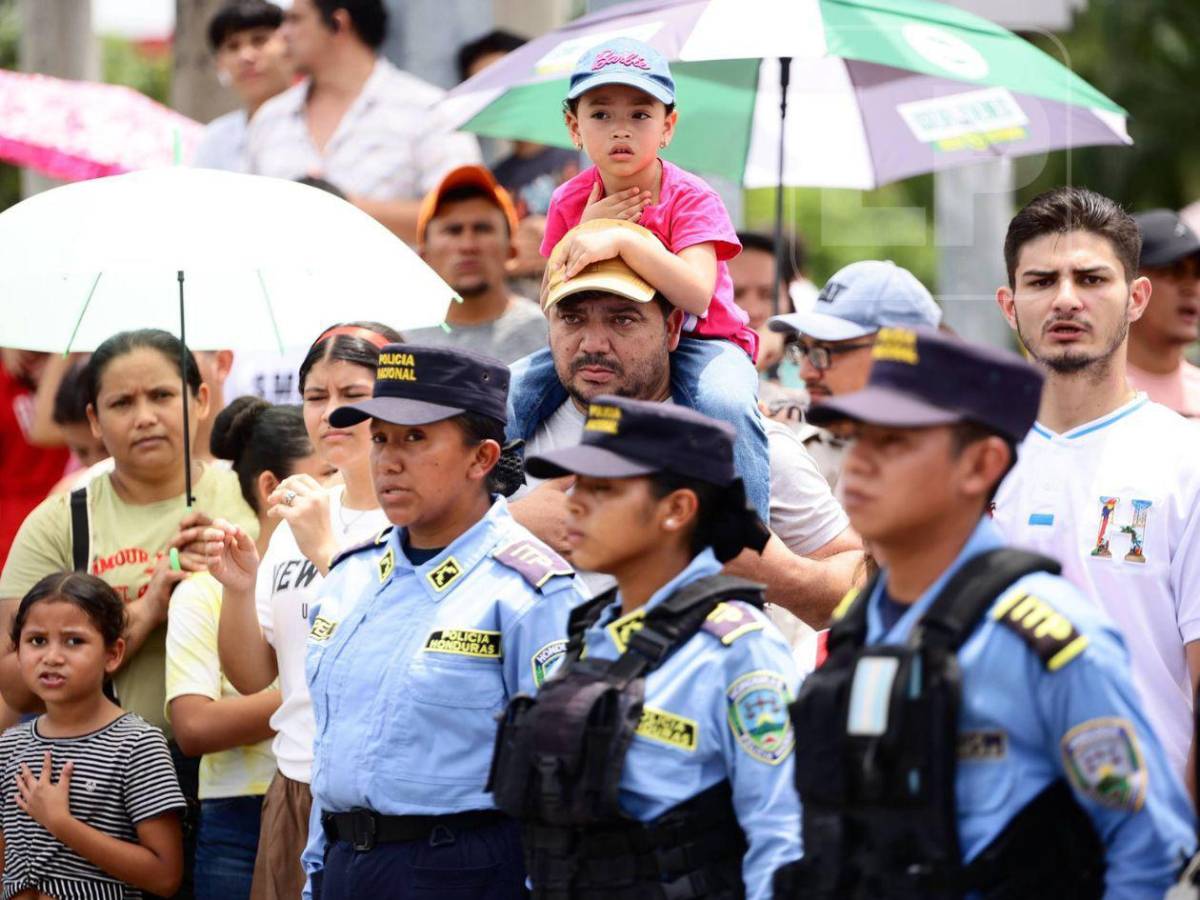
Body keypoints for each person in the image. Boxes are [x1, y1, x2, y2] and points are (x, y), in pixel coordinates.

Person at [775, 327, 1195, 899]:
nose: (860, 467)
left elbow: (1145, 849)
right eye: (855, 439)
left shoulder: (1048, 641)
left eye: (894, 443)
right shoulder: (864, 626)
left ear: (980, 466)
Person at [208, 343, 585, 898]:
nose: (388, 458)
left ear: (481, 458)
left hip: (463, 870)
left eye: (415, 438)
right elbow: (331, 748)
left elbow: (567, 784)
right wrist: (318, 872)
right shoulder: (351, 573)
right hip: (345, 867)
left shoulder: (530, 592)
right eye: (379, 437)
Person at [492, 396, 801, 900]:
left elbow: (782, 839)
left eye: (603, 489)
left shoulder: (738, 650)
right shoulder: (592, 629)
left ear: (677, 508)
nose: (574, 503)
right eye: (577, 485)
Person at [0, 329, 259, 898]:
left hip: (239, 787)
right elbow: (16, 686)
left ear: (200, 401)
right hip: (105, 786)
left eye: (162, 396)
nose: (144, 416)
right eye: (122, 402)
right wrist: (145, 610)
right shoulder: (58, 520)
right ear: (93, 421)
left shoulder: (251, 496)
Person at [508, 236, 861, 629]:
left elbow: (857, 583)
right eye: (572, 318)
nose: (593, 343)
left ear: (673, 326)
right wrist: (508, 527)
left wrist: (776, 574)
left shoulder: (744, 445)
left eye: (622, 319)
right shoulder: (500, 438)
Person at [992, 187, 1200, 782]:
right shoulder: (968, 464)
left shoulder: (1187, 463)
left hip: (1145, 839)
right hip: (993, 833)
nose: (1065, 300)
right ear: (1009, 305)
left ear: (1136, 298)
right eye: (1040, 282)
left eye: (1090, 279)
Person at [519, 38, 770, 520]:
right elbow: (551, 294)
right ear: (574, 126)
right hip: (605, 337)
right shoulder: (568, 201)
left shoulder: (692, 198)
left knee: (728, 402)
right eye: (601, 115)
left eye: (639, 115)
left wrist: (625, 240)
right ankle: (496, 496)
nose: (621, 130)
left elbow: (697, 293)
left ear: (668, 126)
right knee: (505, 390)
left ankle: (746, 535)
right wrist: (587, 228)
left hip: (705, 339)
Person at [214, 323, 395, 900]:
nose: (331, 414)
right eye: (317, 397)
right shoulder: (299, 514)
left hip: (382, 800)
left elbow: (393, 647)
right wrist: (239, 590)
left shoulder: (424, 518)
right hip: (294, 784)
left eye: (354, 397)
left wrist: (326, 551)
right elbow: (252, 677)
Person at [167, 397, 334, 900]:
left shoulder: (357, 555)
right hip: (237, 813)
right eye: (326, 473)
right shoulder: (205, 590)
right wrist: (309, 691)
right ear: (271, 488)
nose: (342, 488)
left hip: (334, 796)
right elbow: (193, 726)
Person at [1, 572, 186, 898]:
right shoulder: (9, 746)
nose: (52, 657)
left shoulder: (137, 744)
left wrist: (62, 824)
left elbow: (165, 875)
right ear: (16, 651)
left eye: (74, 641)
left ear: (113, 653)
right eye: (37, 640)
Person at [246, 0, 481, 243]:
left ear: (338, 24)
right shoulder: (269, 118)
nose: (282, 34)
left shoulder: (428, 110)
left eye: (295, 20)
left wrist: (346, 206)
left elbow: (466, 217)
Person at [768, 260, 942, 489]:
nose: (804, 372)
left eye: (824, 351)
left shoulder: (946, 468)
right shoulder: (794, 432)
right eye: (804, 350)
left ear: (897, 355)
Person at [404, 165, 548, 363]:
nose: (468, 245)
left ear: (511, 251)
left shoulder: (550, 338)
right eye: (453, 231)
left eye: (482, 229)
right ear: (424, 257)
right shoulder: (401, 348)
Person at [456, 29, 580, 213]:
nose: (496, 95)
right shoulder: (494, 182)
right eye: (485, 86)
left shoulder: (587, 151)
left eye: (504, 79)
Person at [193, 0, 292, 173]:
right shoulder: (216, 139)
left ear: (289, 45)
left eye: (259, 40)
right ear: (219, 64)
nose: (246, 56)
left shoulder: (318, 126)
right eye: (233, 46)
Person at [1126, 209, 1200, 418]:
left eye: (1198, 273)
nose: (1191, 287)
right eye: (1173, 270)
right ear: (1133, 289)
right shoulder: (1091, 397)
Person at [0, 349, 70, 568]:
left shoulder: (83, 367)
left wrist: (63, 359)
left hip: (62, 513)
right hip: (10, 524)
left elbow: (43, 430)